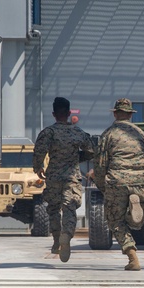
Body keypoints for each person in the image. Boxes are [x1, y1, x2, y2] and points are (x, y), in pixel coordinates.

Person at [93, 98, 144, 271]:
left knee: (115, 221)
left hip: (117, 180)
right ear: (130, 114)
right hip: (141, 179)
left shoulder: (108, 135)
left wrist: (103, 187)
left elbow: (100, 165)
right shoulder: (141, 134)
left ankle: (132, 256)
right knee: (138, 222)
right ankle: (135, 206)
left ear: (115, 113)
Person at [33, 97, 94, 262]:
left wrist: (38, 167)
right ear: (68, 113)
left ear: (53, 114)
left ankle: (56, 239)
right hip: (72, 176)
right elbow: (91, 150)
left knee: (53, 209)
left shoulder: (48, 132)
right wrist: (77, 157)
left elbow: (39, 151)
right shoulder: (77, 132)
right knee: (69, 208)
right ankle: (66, 235)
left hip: (53, 176)